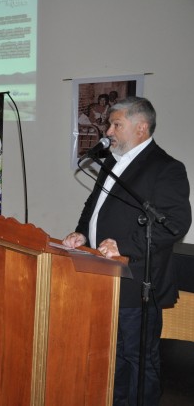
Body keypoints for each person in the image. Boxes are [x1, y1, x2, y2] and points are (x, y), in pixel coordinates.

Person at [62, 97, 191, 406]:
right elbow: (93, 207)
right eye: (110, 124)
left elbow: (175, 223)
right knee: (114, 354)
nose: (109, 131)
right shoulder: (111, 162)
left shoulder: (166, 168)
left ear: (141, 128)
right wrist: (82, 232)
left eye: (116, 124)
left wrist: (125, 246)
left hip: (137, 282)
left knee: (138, 357)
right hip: (103, 276)